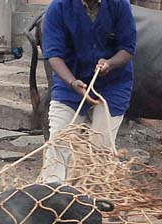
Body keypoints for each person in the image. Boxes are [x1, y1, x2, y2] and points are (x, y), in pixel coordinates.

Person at [39, 0, 137, 182]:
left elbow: (128, 48)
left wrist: (110, 63)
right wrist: (72, 82)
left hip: (113, 85)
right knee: (59, 142)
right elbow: (54, 55)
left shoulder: (119, 5)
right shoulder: (58, 8)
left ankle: (91, 195)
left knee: (100, 147)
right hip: (69, 83)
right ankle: (52, 196)